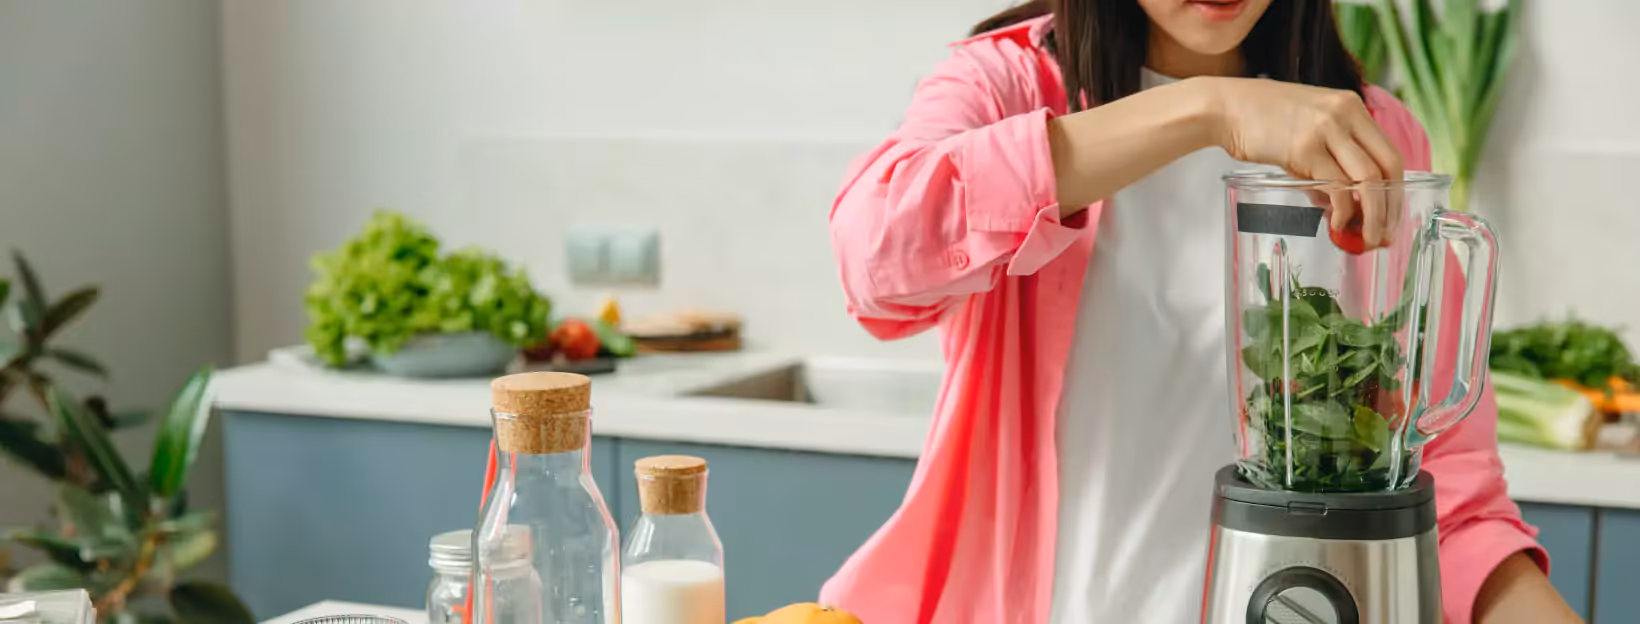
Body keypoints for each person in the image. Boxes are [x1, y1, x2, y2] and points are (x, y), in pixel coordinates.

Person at [823, 1, 1581, 622]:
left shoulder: (1373, 138)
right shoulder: (1009, 87)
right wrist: (1207, 110)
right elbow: (874, 252)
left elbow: (1447, 500)